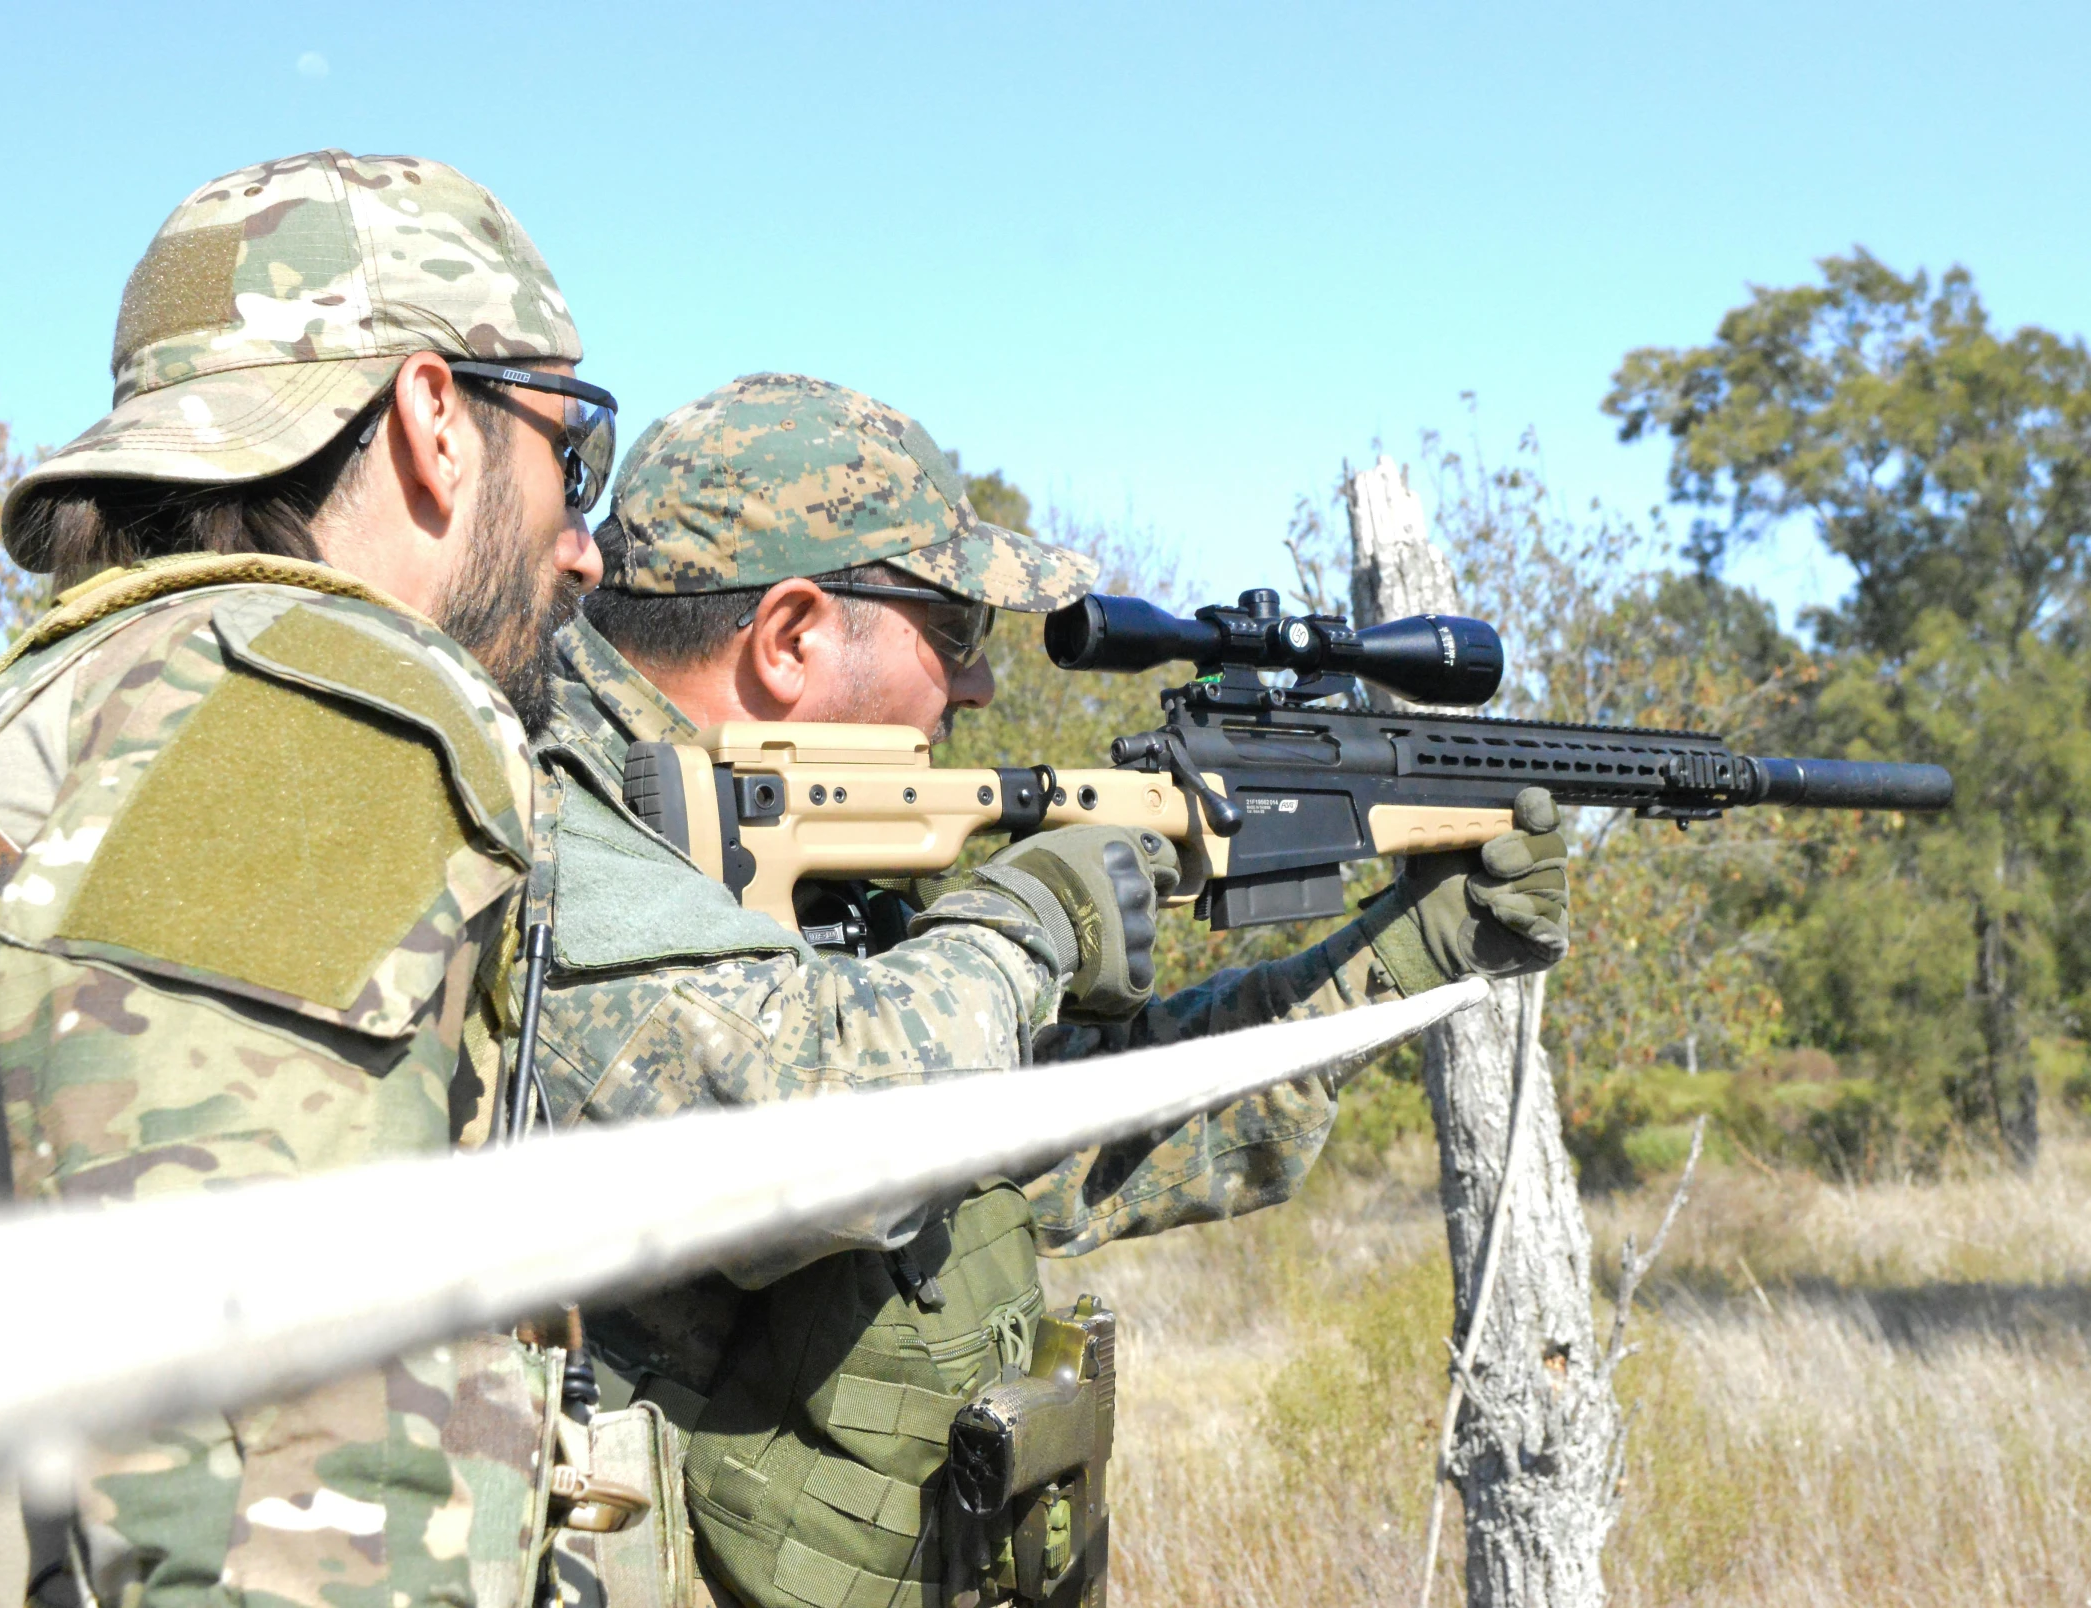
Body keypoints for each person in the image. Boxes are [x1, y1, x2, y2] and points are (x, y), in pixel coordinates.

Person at [523, 373, 1570, 1608]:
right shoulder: (542, 832)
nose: (971, 687)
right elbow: (821, 1127)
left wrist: (1397, 964)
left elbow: (1048, 1145)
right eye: (953, 632)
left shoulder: (761, 863)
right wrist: (1030, 918)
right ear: (793, 636)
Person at [0, 149, 613, 1608]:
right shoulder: (322, 715)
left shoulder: (48, 706)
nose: (586, 548)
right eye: (571, 451)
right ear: (434, 423)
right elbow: (276, 1513)